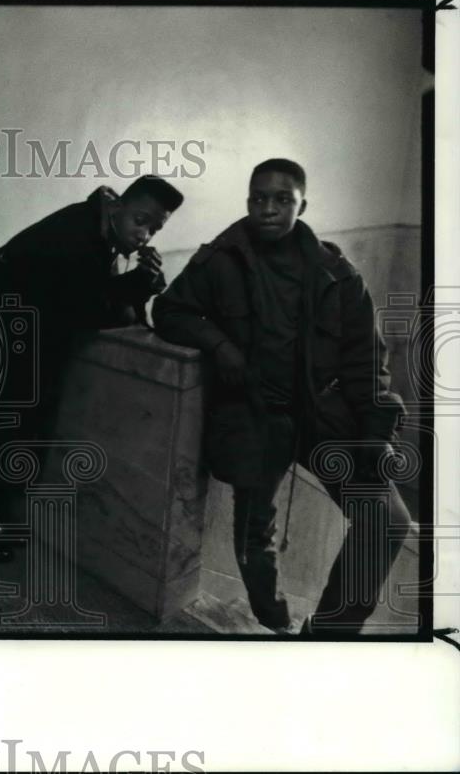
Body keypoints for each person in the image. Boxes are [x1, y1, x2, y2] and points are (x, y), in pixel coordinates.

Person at [153, 158, 410, 635]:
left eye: (282, 199)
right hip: (256, 417)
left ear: (302, 204)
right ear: (248, 201)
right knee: (254, 533)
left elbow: (367, 364)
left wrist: (377, 433)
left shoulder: (338, 274)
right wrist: (220, 345)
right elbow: (170, 311)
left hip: (325, 417)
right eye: (258, 198)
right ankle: (276, 622)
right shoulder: (219, 260)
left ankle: (329, 634)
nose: (268, 209)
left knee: (387, 520)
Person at [0, 176, 183, 560]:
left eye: (155, 227)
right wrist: (138, 283)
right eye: (140, 220)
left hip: (1, 331)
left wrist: (140, 284)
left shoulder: (98, 231)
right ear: (118, 208)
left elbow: (99, 305)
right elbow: (83, 307)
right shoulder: (77, 233)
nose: (144, 234)